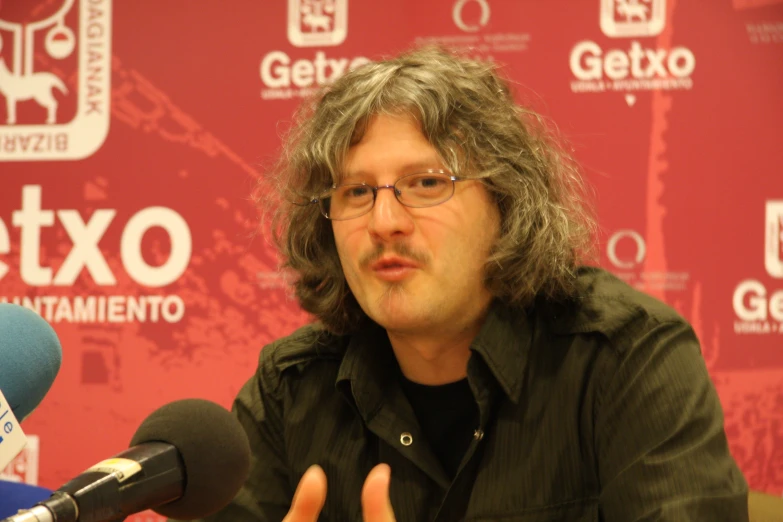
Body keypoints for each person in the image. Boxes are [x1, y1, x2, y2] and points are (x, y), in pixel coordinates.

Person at [192, 47, 749, 521]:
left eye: (427, 182)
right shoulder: (289, 389)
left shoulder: (627, 358)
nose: (384, 221)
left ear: (507, 202)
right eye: (356, 192)